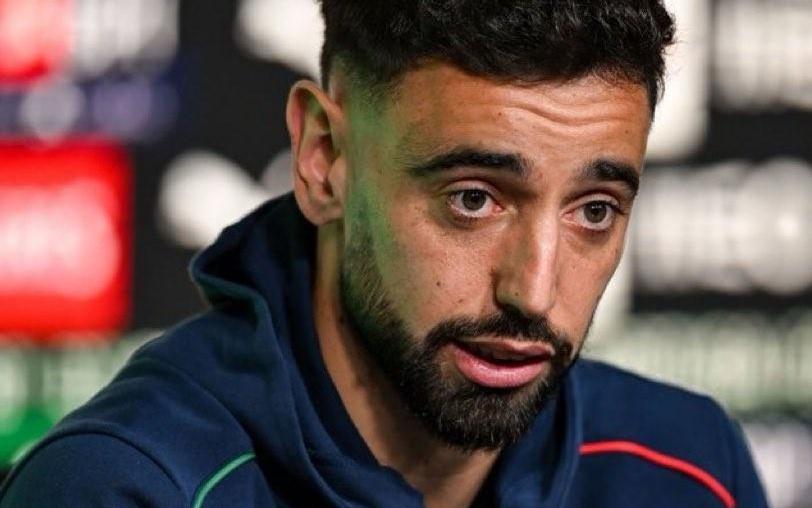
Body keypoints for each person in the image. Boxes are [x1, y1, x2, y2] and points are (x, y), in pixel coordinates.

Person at [0, 1, 768, 507]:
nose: (534, 292)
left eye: (594, 211)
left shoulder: (689, 468)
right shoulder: (124, 487)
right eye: (474, 199)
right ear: (324, 157)